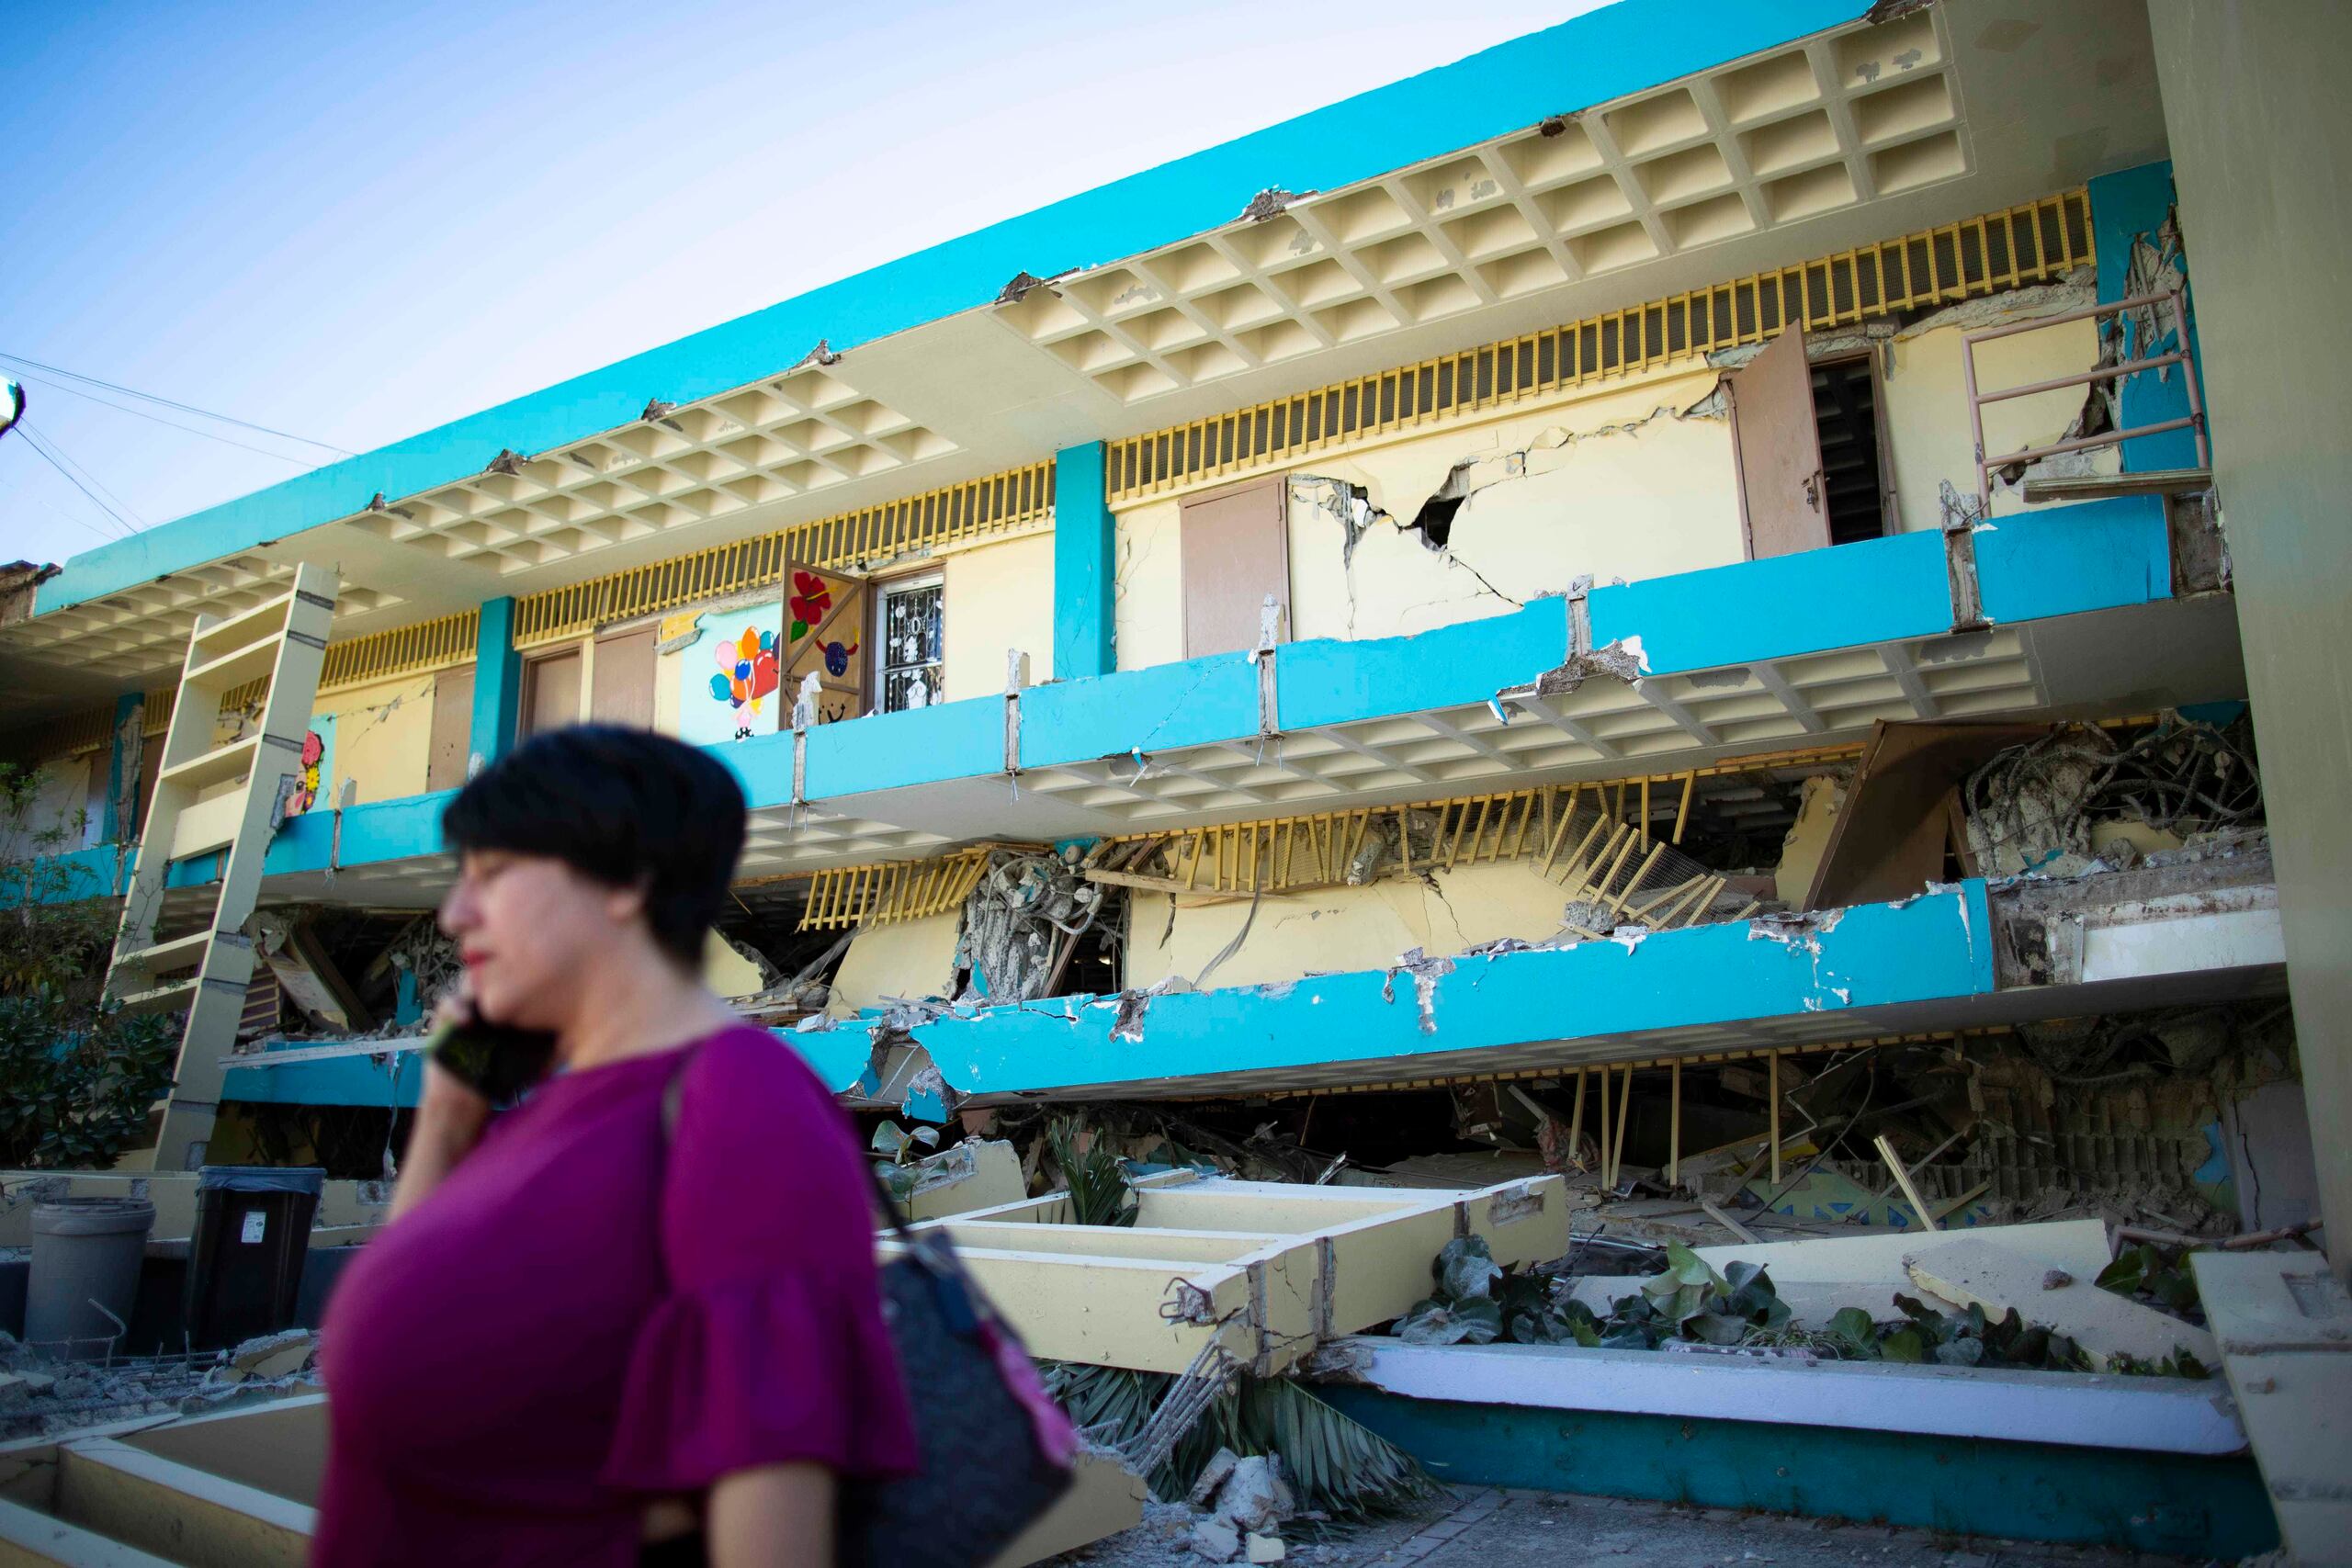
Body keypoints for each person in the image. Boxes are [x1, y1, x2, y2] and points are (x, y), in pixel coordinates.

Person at [315, 726, 916, 1567]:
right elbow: (399, 1319)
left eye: (491, 874)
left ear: (625, 879)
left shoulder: (737, 1101)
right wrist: (449, 1116)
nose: (454, 914)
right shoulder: (536, 1117)